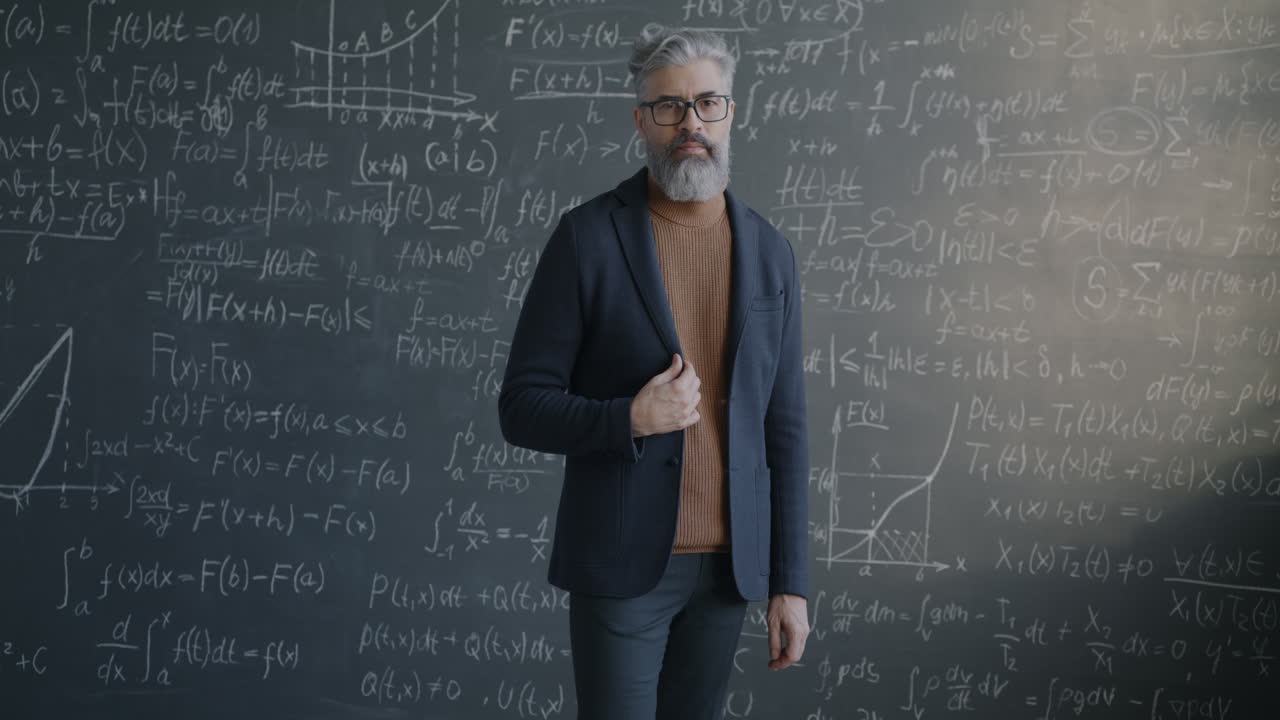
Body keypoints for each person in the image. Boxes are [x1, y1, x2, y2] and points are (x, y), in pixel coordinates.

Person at [497, 25, 810, 720]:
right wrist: (628, 418)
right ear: (642, 120)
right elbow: (521, 406)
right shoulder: (586, 239)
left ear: (733, 113)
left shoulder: (770, 253)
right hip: (621, 567)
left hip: (730, 572)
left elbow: (784, 429)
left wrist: (791, 583)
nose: (690, 123)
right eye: (669, 106)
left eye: (707, 103)